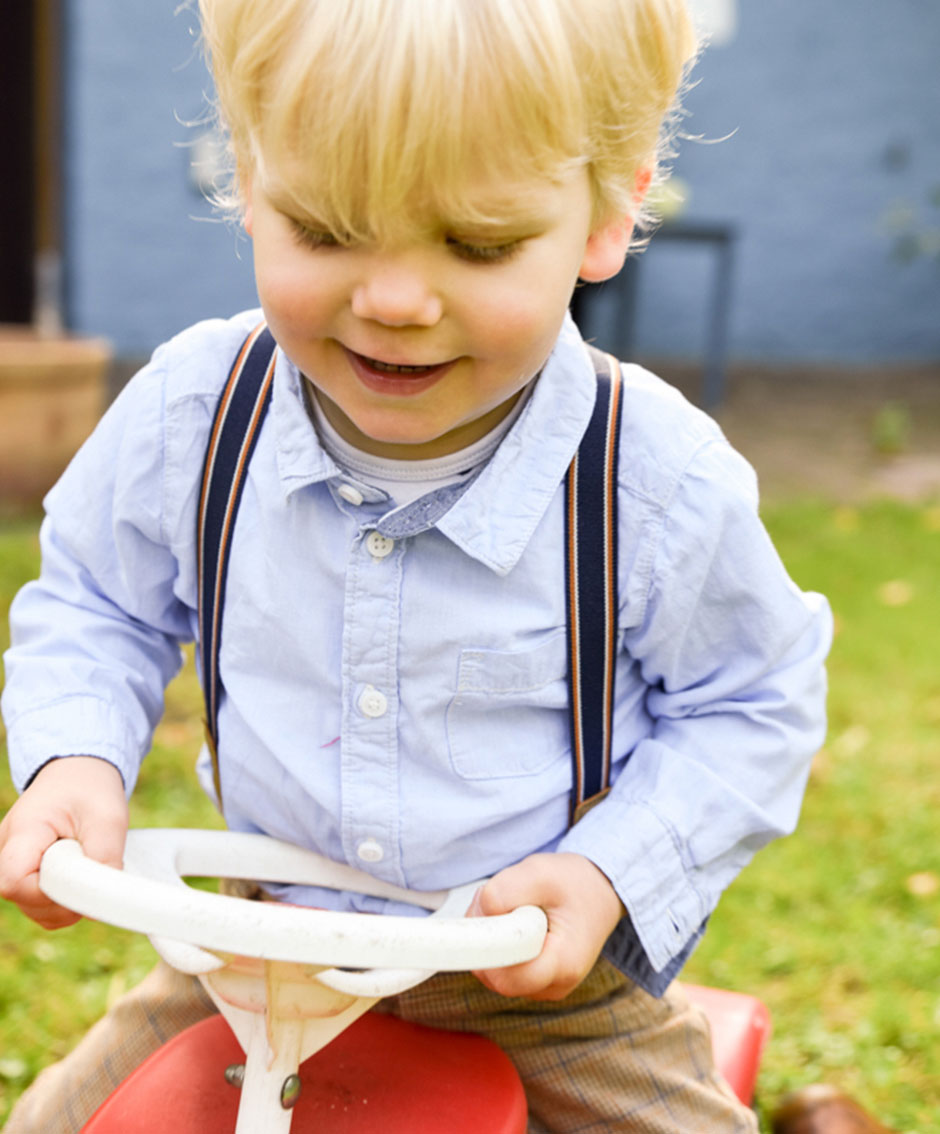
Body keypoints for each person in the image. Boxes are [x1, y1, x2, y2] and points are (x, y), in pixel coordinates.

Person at [0, 1, 832, 1130]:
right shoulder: (196, 414)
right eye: (330, 230)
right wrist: (74, 761)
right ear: (249, 178)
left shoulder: (651, 477)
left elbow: (752, 700)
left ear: (607, 216)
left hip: (533, 987)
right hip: (251, 949)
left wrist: (608, 875)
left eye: (477, 243)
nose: (393, 300)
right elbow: (97, 599)